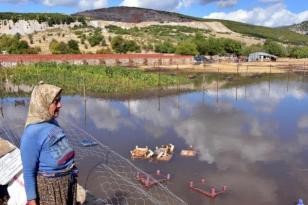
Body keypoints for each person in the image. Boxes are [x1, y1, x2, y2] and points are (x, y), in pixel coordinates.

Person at [20, 83, 77, 205]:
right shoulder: (31, 133)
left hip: (67, 182)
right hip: (50, 189)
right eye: (55, 102)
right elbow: (29, 171)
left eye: (59, 100)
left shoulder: (51, 122)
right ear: (43, 104)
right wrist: (31, 200)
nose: (60, 105)